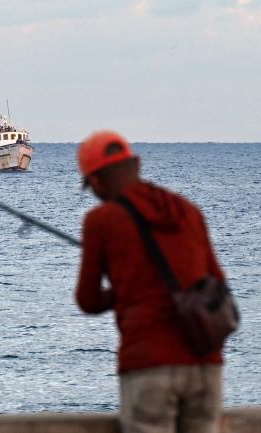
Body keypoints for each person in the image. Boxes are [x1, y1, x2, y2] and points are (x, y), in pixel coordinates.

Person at [75, 131, 225, 433]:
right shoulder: (188, 211)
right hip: (205, 362)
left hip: (148, 364)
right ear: (135, 165)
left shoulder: (101, 220)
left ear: (97, 180)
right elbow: (217, 283)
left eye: (90, 185)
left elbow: (88, 300)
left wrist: (121, 292)